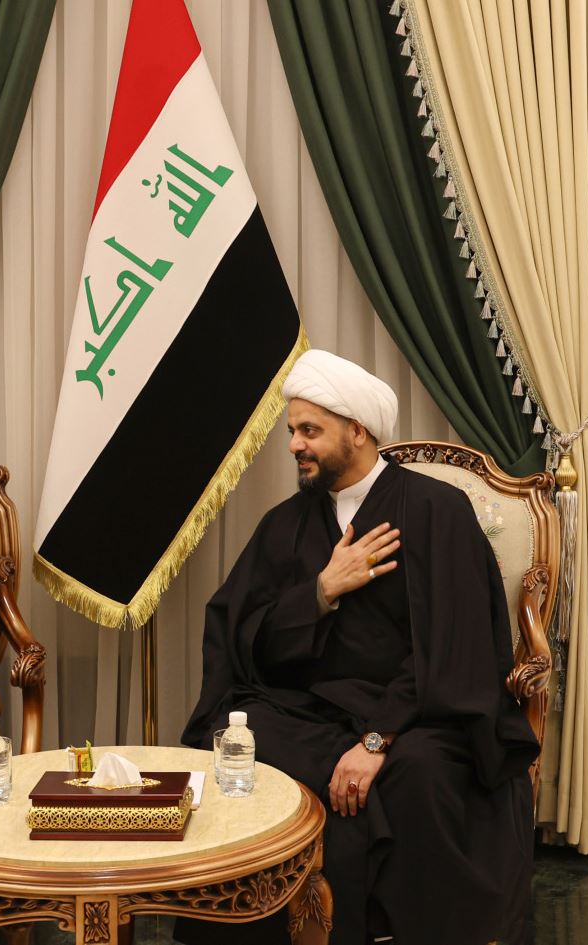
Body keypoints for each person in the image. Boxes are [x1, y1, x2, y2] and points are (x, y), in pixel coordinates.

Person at [182, 350, 538, 945]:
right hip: (315, 710)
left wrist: (377, 738)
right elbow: (243, 639)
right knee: (238, 742)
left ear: (357, 430)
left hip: (421, 712)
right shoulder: (285, 524)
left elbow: (457, 646)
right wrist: (321, 592)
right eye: (293, 430)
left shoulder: (436, 510)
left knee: (420, 773)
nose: (294, 445)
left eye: (309, 430)